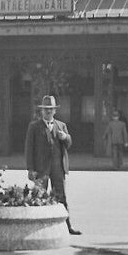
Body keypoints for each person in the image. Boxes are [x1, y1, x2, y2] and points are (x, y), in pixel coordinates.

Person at [25, 95, 81, 235]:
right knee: (38, 197)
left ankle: (68, 226)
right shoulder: (34, 126)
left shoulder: (61, 125)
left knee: (61, 197)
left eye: (51, 109)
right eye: (45, 109)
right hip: (41, 168)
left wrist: (65, 137)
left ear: (55, 111)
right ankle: (36, 228)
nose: (48, 112)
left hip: (57, 168)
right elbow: (29, 149)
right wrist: (30, 169)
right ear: (41, 111)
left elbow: (69, 144)